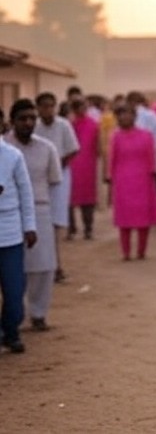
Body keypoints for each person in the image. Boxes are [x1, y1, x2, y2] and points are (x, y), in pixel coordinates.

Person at [5, 99, 62, 331]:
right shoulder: (4, 148)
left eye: (32, 118)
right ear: (12, 121)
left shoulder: (47, 148)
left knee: (44, 266)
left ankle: (38, 314)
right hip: (8, 214)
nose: (28, 123)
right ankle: (12, 317)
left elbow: (55, 183)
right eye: (23, 119)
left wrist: (56, 218)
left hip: (40, 210)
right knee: (13, 268)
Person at [0, 102, 37, 353]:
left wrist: (30, 226)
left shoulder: (13, 156)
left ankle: (11, 331)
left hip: (10, 232)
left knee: (14, 290)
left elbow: (26, 192)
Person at [107, 105, 156, 260]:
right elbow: (112, 159)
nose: (124, 118)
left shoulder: (147, 136)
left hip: (143, 180)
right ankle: (125, 252)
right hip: (122, 181)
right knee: (124, 218)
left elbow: (152, 159)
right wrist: (111, 178)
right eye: (121, 115)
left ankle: (141, 251)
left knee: (143, 218)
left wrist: (153, 176)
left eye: (128, 114)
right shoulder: (116, 137)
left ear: (134, 116)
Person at [34, 92, 79, 282]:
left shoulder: (63, 125)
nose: (48, 110)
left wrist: (57, 166)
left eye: (51, 106)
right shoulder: (34, 126)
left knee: (55, 223)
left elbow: (73, 149)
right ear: (38, 108)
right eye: (44, 106)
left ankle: (55, 265)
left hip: (60, 177)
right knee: (39, 222)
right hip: (38, 178)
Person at [68, 99, 99, 240]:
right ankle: (72, 228)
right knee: (69, 199)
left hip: (87, 166)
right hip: (72, 165)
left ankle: (88, 228)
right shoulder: (69, 125)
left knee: (87, 200)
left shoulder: (93, 124)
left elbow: (97, 145)